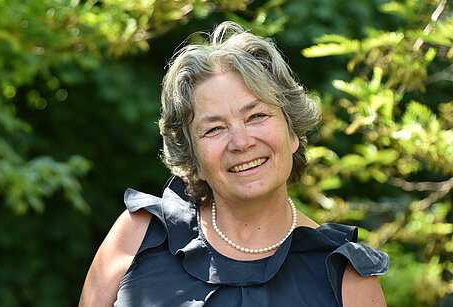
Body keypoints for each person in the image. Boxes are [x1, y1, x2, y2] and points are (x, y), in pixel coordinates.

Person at [79, 21, 388, 306]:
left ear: (292, 132)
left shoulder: (347, 278)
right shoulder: (137, 237)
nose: (241, 142)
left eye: (256, 116)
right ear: (192, 159)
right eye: (214, 129)